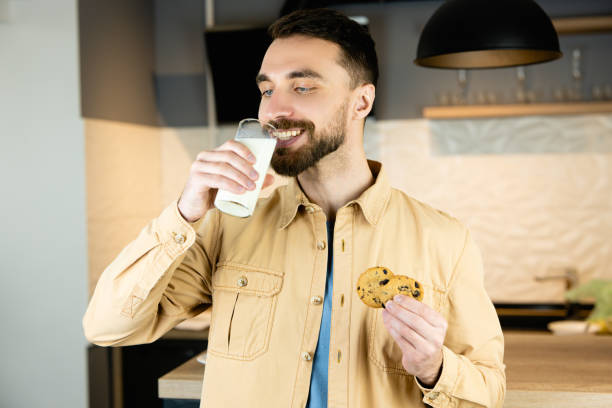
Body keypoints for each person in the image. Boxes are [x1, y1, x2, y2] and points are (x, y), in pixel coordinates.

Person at [83, 8, 505, 408]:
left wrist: (435, 369)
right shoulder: (226, 225)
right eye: (267, 89)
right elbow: (107, 327)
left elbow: (489, 389)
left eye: (303, 87)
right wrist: (184, 213)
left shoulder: (444, 239)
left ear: (361, 102)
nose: (274, 109)